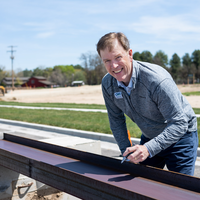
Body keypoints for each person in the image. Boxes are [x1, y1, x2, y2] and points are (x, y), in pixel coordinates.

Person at [97, 32, 198, 175]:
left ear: (130, 54)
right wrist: (126, 153)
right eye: (107, 60)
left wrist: (149, 148)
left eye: (118, 57)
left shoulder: (156, 80)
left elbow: (180, 123)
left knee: (180, 190)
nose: (113, 65)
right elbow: (116, 121)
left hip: (180, 138)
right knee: (142, 184)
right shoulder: (108, 83)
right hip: (150, 136)